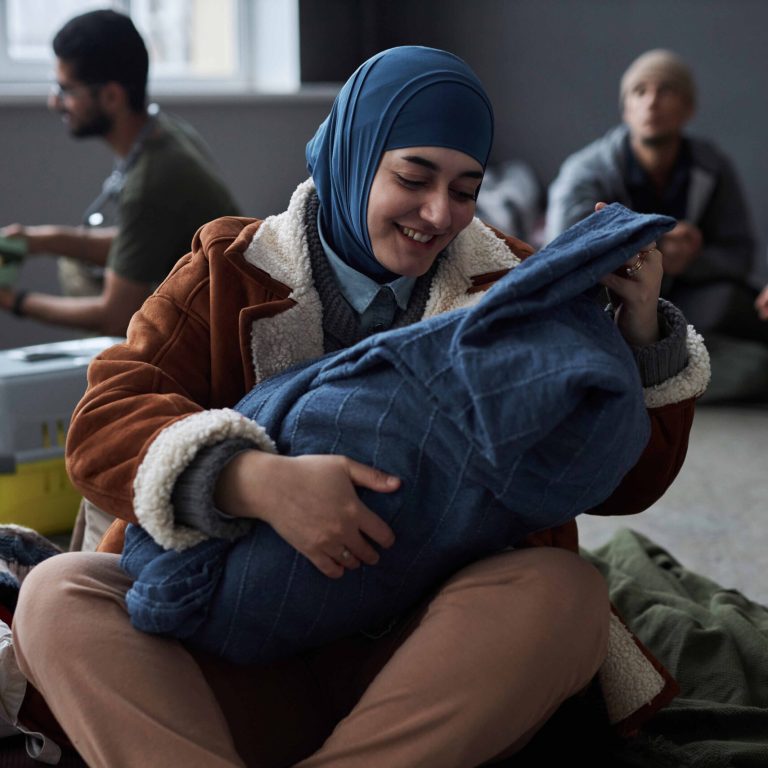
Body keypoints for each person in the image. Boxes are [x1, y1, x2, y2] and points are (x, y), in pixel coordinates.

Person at [12, 47, 708, 767]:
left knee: (565, 595)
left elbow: (622, 485)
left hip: (418, 665)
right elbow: (102, 423)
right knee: (57, 594)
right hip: (231, 658)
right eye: (413, 177)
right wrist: (252, 480)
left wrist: (640, 338)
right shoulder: (227, 269)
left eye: (466, 189)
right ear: (353, 155)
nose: (438, 213)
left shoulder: (515, 290)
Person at [0, 9, 238, 336]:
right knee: (72, 261)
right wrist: (36, 241)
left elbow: (116, 316)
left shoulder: (152, 181)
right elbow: (141, 240)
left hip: (212, 335)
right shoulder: (164, 134)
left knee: (76, 272)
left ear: (112, 96)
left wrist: (14, 301)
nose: (54, 102)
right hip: (212, 305)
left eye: (66, 90)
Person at [546, 49, 767, 400]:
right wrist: (656, 249)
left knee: (732, 304)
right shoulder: (585, 172)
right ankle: (660, 374)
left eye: (666, 90)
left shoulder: (711, 167)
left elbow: (739, 253)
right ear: (626, 108)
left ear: (688, 108)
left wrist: (688, 261)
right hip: (613, 301)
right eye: (639, 91)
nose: (651, 102)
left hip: (685, 300)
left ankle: (652, 369)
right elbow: (562, 254)